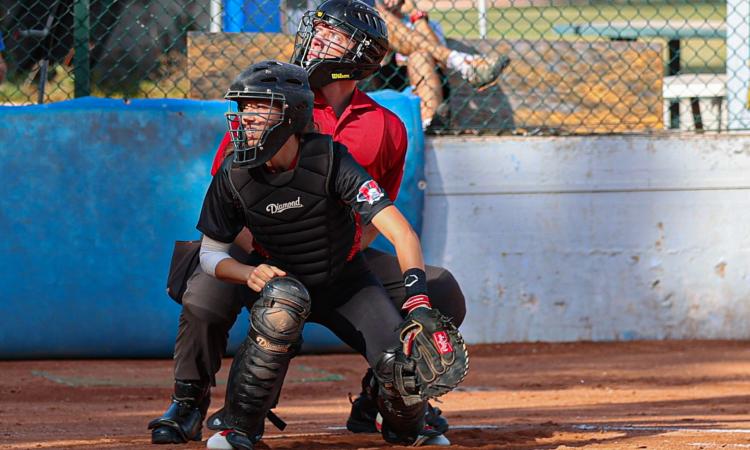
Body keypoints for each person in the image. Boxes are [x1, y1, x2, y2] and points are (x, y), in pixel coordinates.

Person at [147, 0, 467, 444]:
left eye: (335, 34)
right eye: (318, 30)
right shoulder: (278, 100)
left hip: (339, 254)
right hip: (258, 250)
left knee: (440, 289)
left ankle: (386, 396)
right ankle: (188, 400)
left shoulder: (386, 126)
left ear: (364, 52)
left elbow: (379, 212)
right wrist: (270, 257)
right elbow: (232, 198)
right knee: (205, 290)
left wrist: (336, 253)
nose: (318, 39)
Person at [366, 0, 510, 129]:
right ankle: (462, 63)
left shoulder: (429, 24)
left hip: (429, 85)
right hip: (392, 86)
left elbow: (440, 62)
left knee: (420, 57)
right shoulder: (373, 22)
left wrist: (416, 16)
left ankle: (429, 123)